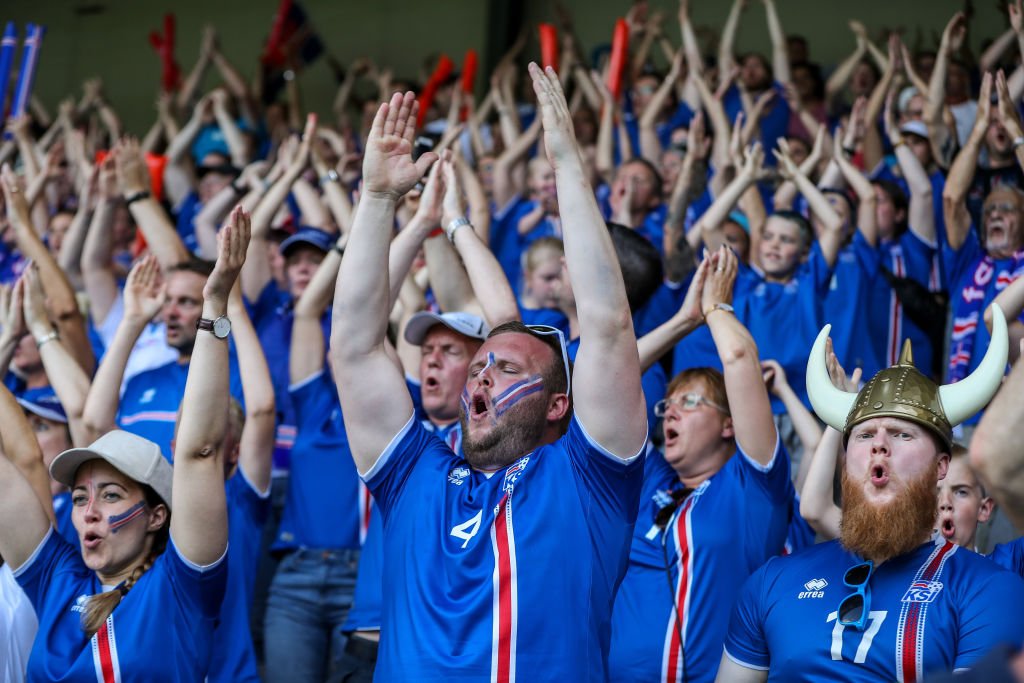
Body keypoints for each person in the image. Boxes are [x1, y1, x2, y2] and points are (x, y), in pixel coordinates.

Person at [330, 64, 647, 680]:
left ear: (558, 403)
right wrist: (378, 201)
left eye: (504, 368)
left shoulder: (589, 481)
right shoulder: (413, 476)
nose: (479, 377)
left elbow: (609, 325)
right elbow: (355, 347)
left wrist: (567, 166)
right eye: (478, 367)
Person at [0, 206, 250, 681]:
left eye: (111, 495)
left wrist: (215, 307)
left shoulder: (180, 588)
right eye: (79, 498)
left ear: (157, 515)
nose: (89, 512)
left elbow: (200, 452)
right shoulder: (57, 579)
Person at [717, 307, 1024, 681]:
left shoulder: (988, 589)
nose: (879, 444)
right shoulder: (772, 581)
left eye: (901, 434)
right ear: (846, 460)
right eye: (863, 435)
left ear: (941, 466)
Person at [609, 246, 793, 683]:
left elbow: (739, 359)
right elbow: (605, 381)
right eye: (668, 405)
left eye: (690, 402)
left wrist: (717, 310)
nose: (671, 412)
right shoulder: (650, 481)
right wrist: (683, 321)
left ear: (730, 424)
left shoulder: (751, 489)